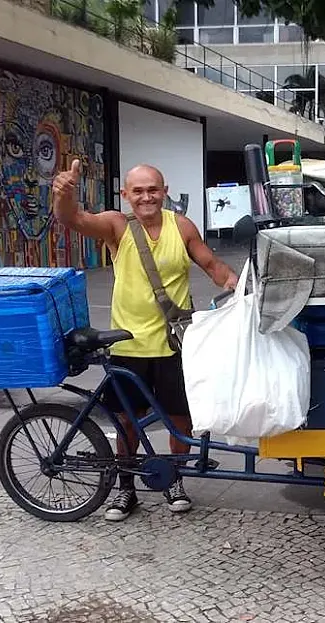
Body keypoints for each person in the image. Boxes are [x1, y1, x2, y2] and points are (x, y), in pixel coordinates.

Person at [53, 159, 239, 521]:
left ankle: (174, 481)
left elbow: (213, 266)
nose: (146, 196)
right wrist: (64, 195)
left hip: (174, 345)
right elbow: (73, 219)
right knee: (126, 422)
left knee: (180, 420)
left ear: (165, 192)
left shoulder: (182, 226)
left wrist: (239, 285)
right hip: (128, 344)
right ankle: (126, 489)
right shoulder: (116, 226)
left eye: (153, 189)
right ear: (126, 195)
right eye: (137, 191)